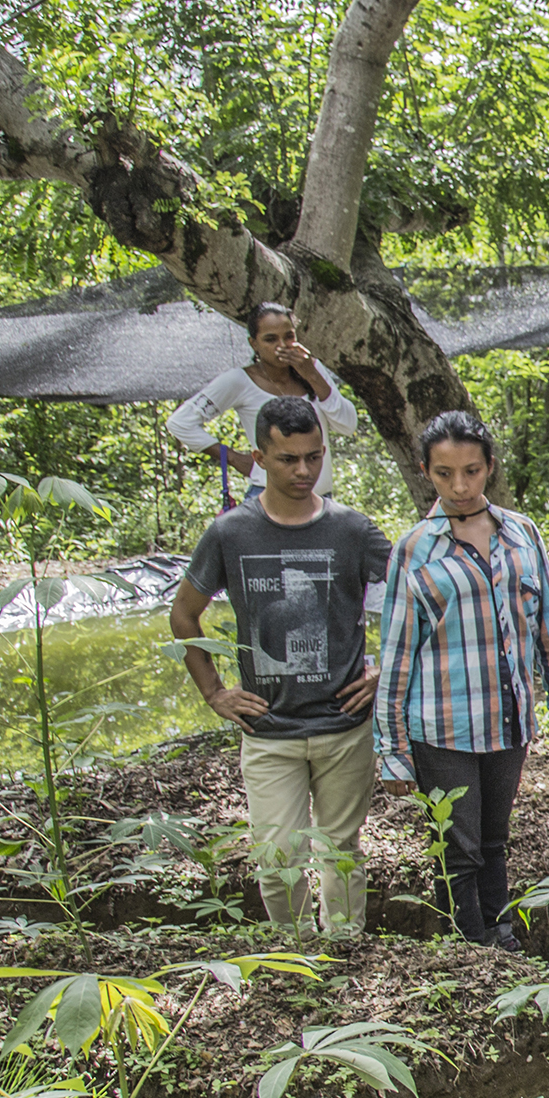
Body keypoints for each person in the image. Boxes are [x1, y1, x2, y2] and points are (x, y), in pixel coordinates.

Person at [169, 395, 391, 935]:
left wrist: (385, 671)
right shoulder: (230, 533)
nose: (303, 470)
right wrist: (214, 693)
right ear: (259, 457)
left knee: (342, 852)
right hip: (268, 729)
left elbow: (417, 599)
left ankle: (343, 955)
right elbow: (184, 615)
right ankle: (293, 956)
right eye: (289, 458)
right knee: (276, 857)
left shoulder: (352, 530)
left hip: (343, 724)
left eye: (314, 457)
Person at [374, 411, 549, 951]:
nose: (460, 486)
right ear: (427, 473)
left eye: (471, 471)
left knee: (494, 838)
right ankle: (469, 946)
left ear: (490, 466)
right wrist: (392, 749)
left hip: (507, 717)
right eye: (445, 474)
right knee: (457, 844)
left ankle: (502, 935)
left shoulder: (521, 533)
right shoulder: (415, 549)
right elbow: (396, 654)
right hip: (441, 725)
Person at [166, 301, 359, 504]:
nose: (282, 346)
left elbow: (347, 425)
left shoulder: (312, 370)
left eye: (289, 337)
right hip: (268, 501)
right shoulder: (239, 381)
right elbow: (180, 422)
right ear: (254, 344)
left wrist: (313, 375)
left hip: (320, 502)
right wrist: (233, 458)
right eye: (270, 339)